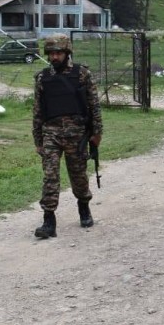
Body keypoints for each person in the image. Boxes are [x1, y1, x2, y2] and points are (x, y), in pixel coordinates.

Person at [32, 33, 103, 239]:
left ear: (67, 53)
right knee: (50, 176)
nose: (54, 57)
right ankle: (49, 221)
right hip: (51, 134)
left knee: (78, 175)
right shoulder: (42, 78)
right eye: (51, 53)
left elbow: (94, 105)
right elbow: (37, 110)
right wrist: (38, 140)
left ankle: (84, 207)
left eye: (58, 53)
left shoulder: (82, 74)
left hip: (76, 134)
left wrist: (97, 133)